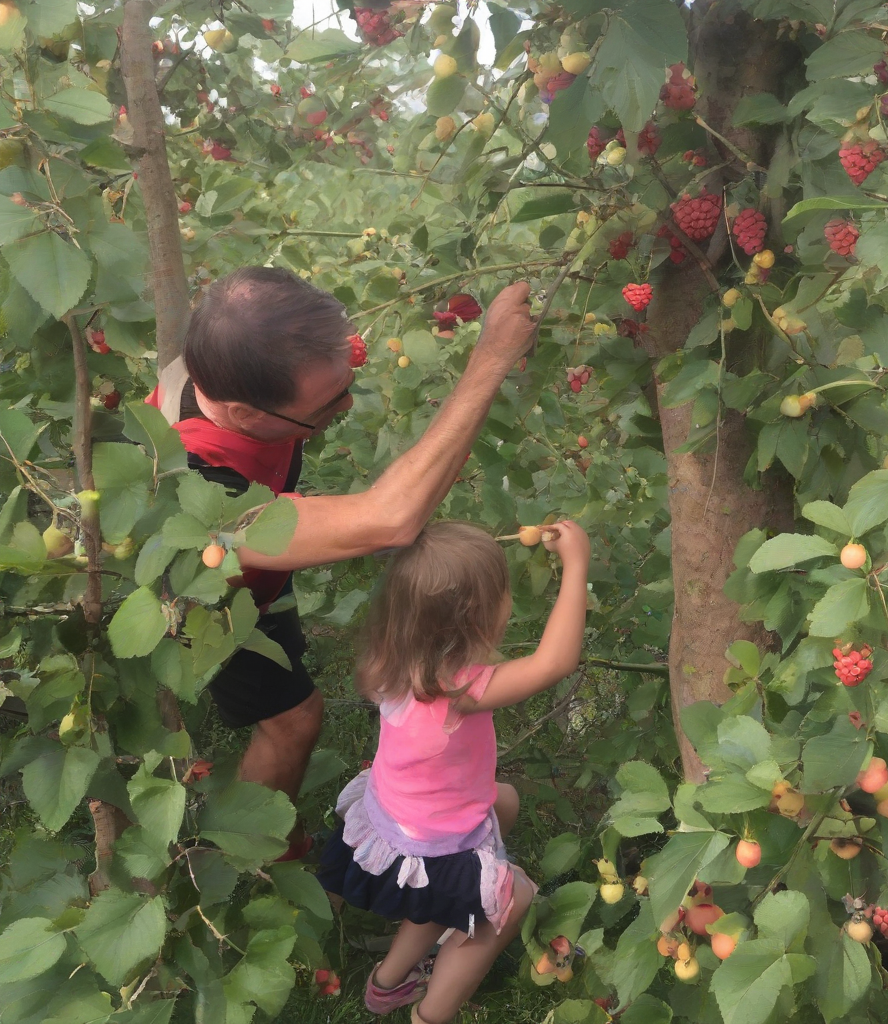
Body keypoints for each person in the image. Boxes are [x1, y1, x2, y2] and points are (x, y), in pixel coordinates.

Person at [147, 267, 535, 857]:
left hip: (259, 569)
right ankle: (259, 855)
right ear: (245, 414)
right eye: (329, 403)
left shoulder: (233, 360)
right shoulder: (195, 488)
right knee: (293, 720)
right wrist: (492, 358)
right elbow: (390, 518)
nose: (348, 404)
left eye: (346, 380)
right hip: (210, 597)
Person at [316, 518, 590, 1024]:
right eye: (503, 592)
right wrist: (576, 566)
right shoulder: (460, 692)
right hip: (430, 849)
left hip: (389, 823)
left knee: (502, 799)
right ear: (477, 618)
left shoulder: (389, 661)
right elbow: (555, 662)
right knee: (510, 903)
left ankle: (386, 983)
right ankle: (431, 1014)